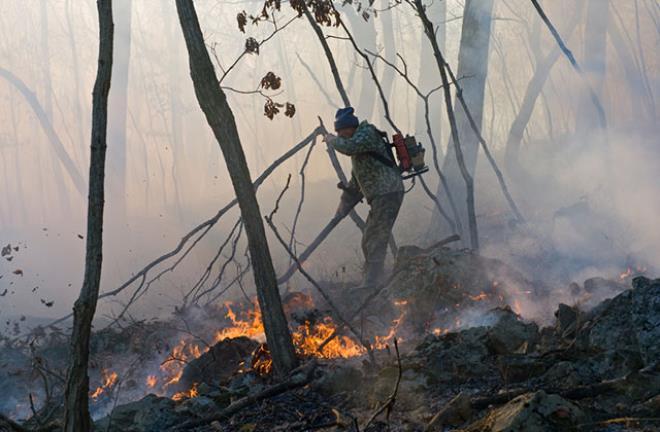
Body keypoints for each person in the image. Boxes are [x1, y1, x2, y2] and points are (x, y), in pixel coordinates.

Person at [324, 107, 404, 287]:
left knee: (375, 238)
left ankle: (372, 283)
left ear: (350, 127)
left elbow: (349, 147)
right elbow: (356, 183)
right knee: (369, 238)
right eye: (338, 132)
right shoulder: (359, 147)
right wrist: (341, 208)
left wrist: (331, 140)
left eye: (341, 131)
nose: (341, 135)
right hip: (381, 196)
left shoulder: (366, 134)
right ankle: (373, 279)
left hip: (388, 192)